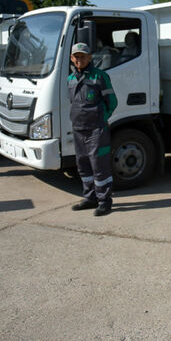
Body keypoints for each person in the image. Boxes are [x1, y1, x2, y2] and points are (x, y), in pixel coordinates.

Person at [67, 42, 118, 216]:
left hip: (96, 130)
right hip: (78, 129)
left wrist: (102, 119)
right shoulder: (70, 79)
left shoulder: (100, 76)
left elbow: (112, 102)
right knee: (83, 165)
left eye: (83, 56)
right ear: (71, 58)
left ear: (89, 57)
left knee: (99, 165)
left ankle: (104, 201)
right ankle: (90, 198)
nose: (79, 59)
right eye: (76, 56)